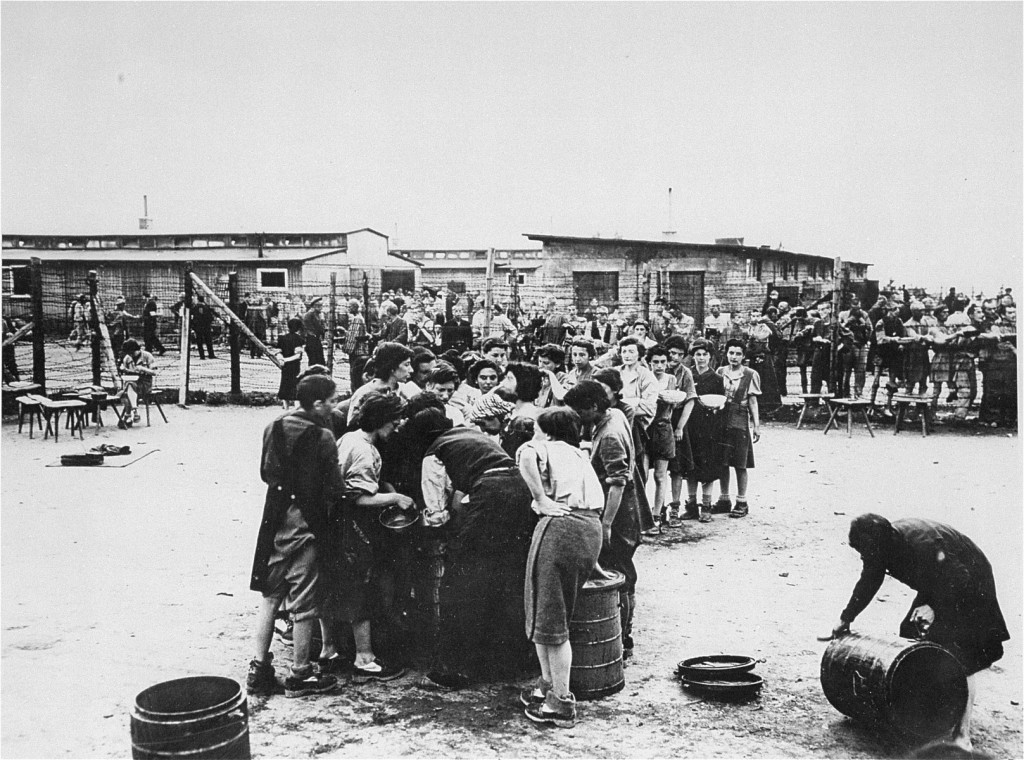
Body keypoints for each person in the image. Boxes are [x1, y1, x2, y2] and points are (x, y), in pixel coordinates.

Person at [826, 514, 1010, 753]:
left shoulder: (922, 545)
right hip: (941, 581)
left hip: (969, 581)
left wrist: (934, 607)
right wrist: (846, 617)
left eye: (865, 552)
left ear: (882, 546)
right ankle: (926, 712)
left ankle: (962, 736)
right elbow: (869, 579)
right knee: (911, 632)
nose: (864, 557)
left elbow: (960, 576)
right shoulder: (881, 544)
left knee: (964, 656)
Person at [418, 418, 536, 688]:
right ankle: (510, 662)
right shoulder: (468, 435)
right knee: (508, 575)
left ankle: (455, 669)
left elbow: (437, 512)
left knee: (460, 580)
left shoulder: (433, 454)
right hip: (520, 487)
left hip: (492, 493)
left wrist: (442, 535)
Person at [247, 374, 343, 698]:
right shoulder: (324, 436)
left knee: (270, 597)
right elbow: (335, 486)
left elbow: (266, 473)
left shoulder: (273, 426)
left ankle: (258, 669)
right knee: (305, 601)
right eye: (331, 400)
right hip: (307, 523)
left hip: (274, 518)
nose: (334, 406)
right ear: (317, 404)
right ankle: (301, 674)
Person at [516, 408, 603, 728]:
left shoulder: (546, 448)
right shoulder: (579, 454)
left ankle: (561, 703)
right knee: (546, 612)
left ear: (548, 432)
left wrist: (540, 498)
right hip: (587, 528)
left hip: (562, 527)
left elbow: (524, 454)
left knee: (550, 618)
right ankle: (548, 686)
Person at [318, 392, 412, 682]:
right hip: (352, 525)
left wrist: (382, 485)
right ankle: (365, 657)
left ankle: (329, 649)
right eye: (394, 420)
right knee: (361, 586)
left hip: (331, 522)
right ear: (381, 420)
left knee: (333, 584)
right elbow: (358, 497)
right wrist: (395, 497)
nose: (397, 426)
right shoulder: (363, 450)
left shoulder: (350, 438)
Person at [563, 380, 640, 659]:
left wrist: (605, 524)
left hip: (618, 514)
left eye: (580, 411)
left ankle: (623, 638)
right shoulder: (615, 415)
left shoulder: (608, 434)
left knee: (618, 573)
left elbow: (617, 482)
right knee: (623, 570)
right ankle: (623, 634)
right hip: (627, 509)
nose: (577, 417)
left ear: (594, 407)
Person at [682, 340, 728, 522]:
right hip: (690, 425)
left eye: (704, 354)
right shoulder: (688, 375)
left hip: (709, 427)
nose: (701, 358)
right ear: (693, 356)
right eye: (697, 354)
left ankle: (706, 507)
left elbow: (722, 402)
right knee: (690, 466)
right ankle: (691, 506)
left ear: (710, 356)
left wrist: (717, 408)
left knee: (707, 467)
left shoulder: (716, 379)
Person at [716, 339, 760, 519]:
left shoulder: (750, 374)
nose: (734, 357)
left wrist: (756, 425)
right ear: (726, 354)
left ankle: (742, 501)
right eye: (731, 353)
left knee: (740, 462)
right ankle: (724, 499)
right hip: (721, 418)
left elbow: (752, 401)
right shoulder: (720, 372)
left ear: (743, 356)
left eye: (738, 354)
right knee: (722, 460)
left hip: (740, 419)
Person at [346, 342, 415, 424]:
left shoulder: (407, 389)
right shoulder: (364, 393)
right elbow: (352, 425)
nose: (411, 370)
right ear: (392, 367)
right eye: (406, 365)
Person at [118, 339, 157, 427]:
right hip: (132, 382)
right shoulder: (127, 358)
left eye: (132, 352)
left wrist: (143, 369)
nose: (130, 355)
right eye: (129, 353)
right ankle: (134, 412)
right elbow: (126, 373)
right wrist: (124, 370)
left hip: (145, 384)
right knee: (128, 386)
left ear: (137, 349)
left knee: (127, 390)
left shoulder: (147, 356)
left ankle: (128, 416)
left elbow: (154, 372)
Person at [342, 299, 371, 393]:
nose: (348, 309)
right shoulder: (359, 318)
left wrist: (346, 349)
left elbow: (353, 337)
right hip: (361, 351)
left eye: (349, 307)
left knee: (355, 376)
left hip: (357, 352)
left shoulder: (356, 319)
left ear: (354, 307)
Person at [277, 317, 305, 410]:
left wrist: (282, 360)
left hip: (285, 367)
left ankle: (286, 409)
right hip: (294, 366)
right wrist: (287, 360)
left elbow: (278, 352)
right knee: (294, 387)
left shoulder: (282, 338)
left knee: (284, 385)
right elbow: (297, 356)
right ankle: (296, 409)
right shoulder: (299, 339)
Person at [302, 298, 327, 366]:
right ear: (315, 306)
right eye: (320, 306)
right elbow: (309, 328)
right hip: (312, 340)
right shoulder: (310, 315)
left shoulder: (317, 314)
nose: (321, 308)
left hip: (316, 339)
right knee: (314, 361)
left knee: (320, 361)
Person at [191, 295, 217, 360]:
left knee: (199, 341)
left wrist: (193, 326)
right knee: (208, 341)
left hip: (198, 327)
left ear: (197, 299)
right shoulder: (207, 307)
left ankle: (202, 356)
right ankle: (211, 354)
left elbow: (192, 318)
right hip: (206, 326)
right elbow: (211, 317)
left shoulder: (194, 308)